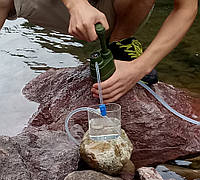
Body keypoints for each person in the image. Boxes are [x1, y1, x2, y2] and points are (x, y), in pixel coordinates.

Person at [0, 0, 198, 103]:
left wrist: (139, 68)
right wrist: (77, 5)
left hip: (113, 11)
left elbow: (186, 9)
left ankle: (119, 45)